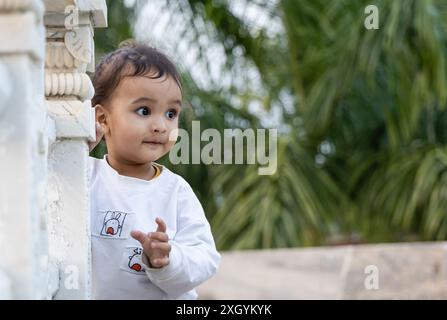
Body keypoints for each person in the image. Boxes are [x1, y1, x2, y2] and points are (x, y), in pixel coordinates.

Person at [87, 41, 220, 299]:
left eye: (171, 113)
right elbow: (43, 194)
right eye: (144, 110)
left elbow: (204, 257)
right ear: (103, 118)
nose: (161, 125)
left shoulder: (175, 190)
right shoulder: (86, 176)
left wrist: (168, 259)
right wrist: (80, 148)